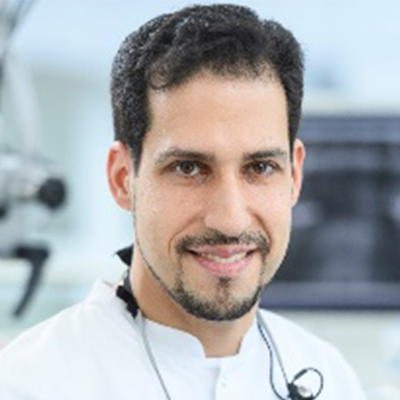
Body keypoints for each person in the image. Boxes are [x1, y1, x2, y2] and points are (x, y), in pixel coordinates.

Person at [0, 4, 367, 400]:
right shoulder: (30, 384)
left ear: (294, 176)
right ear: (123, 179)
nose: (229, 218)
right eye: (189, 168)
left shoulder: (331, 376)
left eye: (260, 168)